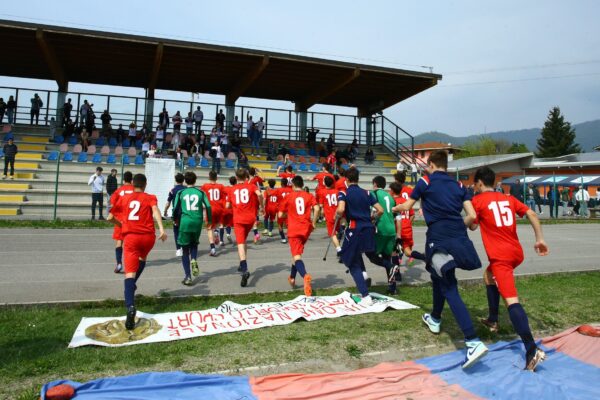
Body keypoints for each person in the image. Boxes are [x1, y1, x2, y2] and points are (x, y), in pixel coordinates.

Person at [393, 150, 488, 369]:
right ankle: (435, 318)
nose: (426, 167)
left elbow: (407, 206)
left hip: (438, 239)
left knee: (449, 286)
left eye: (427, 164)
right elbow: (472, 217)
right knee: (438, 276)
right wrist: (456, 225)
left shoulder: (425, 181)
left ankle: (472, 341)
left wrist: (392, 208)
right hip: (459, 237)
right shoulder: (460, 186)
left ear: (433, 165)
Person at [470, 166, 549, 371]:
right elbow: (531, 213)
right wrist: (539, 239)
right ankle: (493, 320)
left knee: (511, 301)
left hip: (501, 258)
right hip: (516, 253)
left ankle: (531, 349)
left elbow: (472, 225)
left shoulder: (478, 201)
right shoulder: (507, 198)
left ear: (479, 183)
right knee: (488, 276)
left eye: (475, 184)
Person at [107, 173, 167, 330]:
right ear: (145, 185)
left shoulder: (124, 198)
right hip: (148, 237)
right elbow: (155, 211)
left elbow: (109, 217)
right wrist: (161, 229)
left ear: (133, 184)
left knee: (129, 274)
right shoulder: (150, 197)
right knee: (142, 259)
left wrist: (121, 224)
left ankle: (130, 306)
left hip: (131, 238)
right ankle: (132, 286)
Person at [336, 167, 383, 306]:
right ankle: (364, 276)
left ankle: (365, 295)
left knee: (348, 259)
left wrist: (337, 215)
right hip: (368, 228)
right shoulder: (367, 192)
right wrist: (372, 218)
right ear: (358, 179)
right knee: (359, 255)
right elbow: (380, 210)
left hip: (355, 229)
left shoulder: (343, 192)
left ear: (346, 179)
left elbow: (341, 209)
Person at [278, 175, 319, 296]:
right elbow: (316, 209)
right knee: (296, 255)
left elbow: (280, 215)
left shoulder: (289, 196)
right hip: (306, 229)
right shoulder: (309, 195)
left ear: (293, 185)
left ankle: (305, 276)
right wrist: (314, 222)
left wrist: (288, 215)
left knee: (297, 256)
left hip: (294, 229)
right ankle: (291, 277)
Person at [172, 172, 212, 286]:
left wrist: (175, 219)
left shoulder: (181, 192)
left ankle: (188, 277)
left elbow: (175, 208)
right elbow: (208, 206)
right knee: (194, 243)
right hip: (197, 221)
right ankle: (194, 259)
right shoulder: (200, 192)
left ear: (185, 181)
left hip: (185, 222)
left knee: (185, 250)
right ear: (195, 181)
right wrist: (209, 220)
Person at [226, 168, 263, 287]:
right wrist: (261, 206)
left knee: (240, 243)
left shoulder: (232, 189)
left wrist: (233, 206)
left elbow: (227, 205)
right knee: (244, 241)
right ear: (246, 177)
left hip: (239, 219)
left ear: (236, 178)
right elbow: (260, 194)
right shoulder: (251, 186)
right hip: (250, 219)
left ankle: (245, 269)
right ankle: (241, 264)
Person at [109, 171, 134, 273]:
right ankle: (131, 263)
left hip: (120, 219)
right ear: (131, 180)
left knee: (119, 242)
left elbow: (112, 204)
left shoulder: (118, 191)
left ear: (123, 180)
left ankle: (119, 263)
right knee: (132, 243)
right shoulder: (135, 190)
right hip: (132, 220)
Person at [201, 171, 226, 256]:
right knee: (218, 223)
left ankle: (212, 248)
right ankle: (216, 230)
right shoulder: (221, 186)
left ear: (209, 177)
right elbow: (226, 194)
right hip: (219, 208)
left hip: (210, 209)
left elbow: (201, 194)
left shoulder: (205, 186)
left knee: (209, 228)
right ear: (217, 178)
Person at [163, 173, 186, 257]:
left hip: (176, 213)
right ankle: (184, 247)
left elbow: (168, 203)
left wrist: (165, 211)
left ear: (176, 180)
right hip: (185, 213)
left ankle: (178, 249)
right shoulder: (186, 189)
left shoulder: (173, 190)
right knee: (183, 231)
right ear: (183, 180)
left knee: (176, 231)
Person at [322, 176, 343, 260]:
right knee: (337, 231)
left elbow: (321, 206)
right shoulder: (337, 192)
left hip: (330, 215)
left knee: (332, 234)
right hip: (338, 214)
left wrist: (322, 214)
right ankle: (339, 245)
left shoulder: (322, 192)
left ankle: (339, 250)